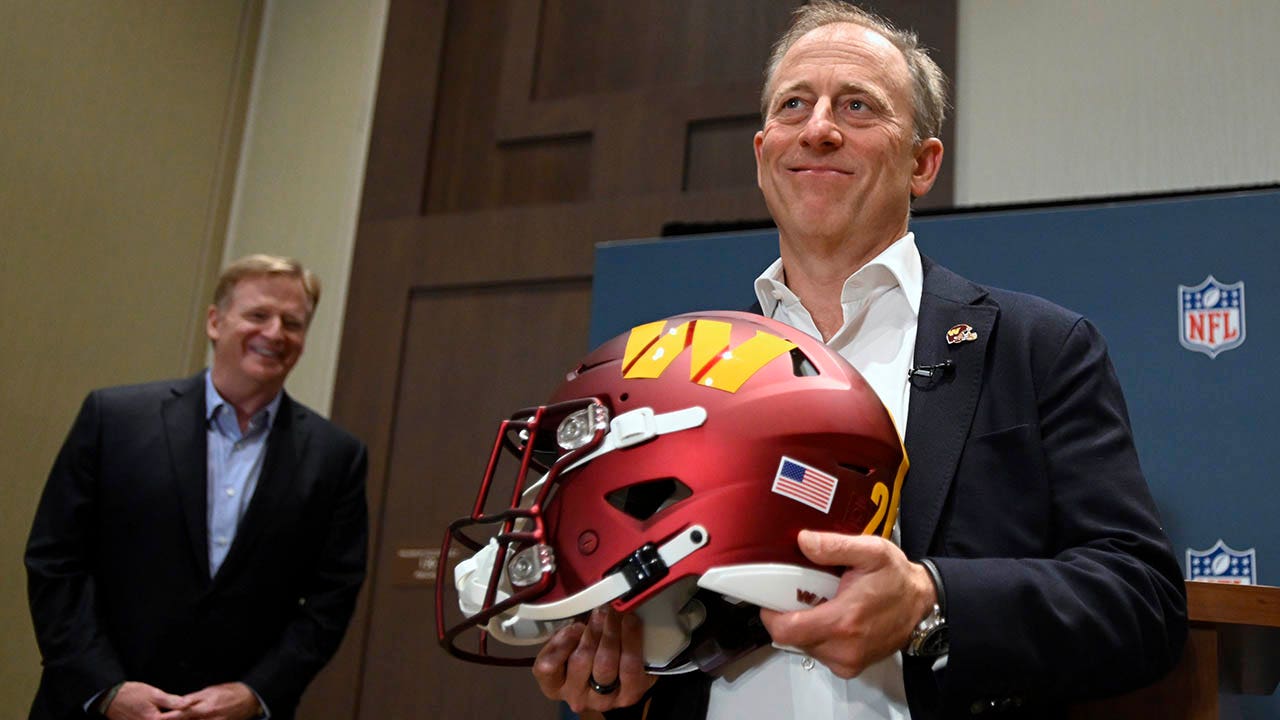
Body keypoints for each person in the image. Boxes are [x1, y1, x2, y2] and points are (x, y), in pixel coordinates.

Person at [531, 2, 1187, 718]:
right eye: (793, 105)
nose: (818, 128)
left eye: (857, 105)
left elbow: (1141, 602)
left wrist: (930, 602)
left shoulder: (1038, 348)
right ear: (762, 154)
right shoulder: (668, 374)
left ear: (922, 164)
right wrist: (617, 676)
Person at [25, 255, 369, 720]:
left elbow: (333, 597)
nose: (274, 333)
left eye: (293, 322)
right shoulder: (115, 420)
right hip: (94, 706)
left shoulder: (336, 457)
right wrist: (104, 687)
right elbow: (55, 562)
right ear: (214, 322)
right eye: (258, 315)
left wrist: (256, 693)